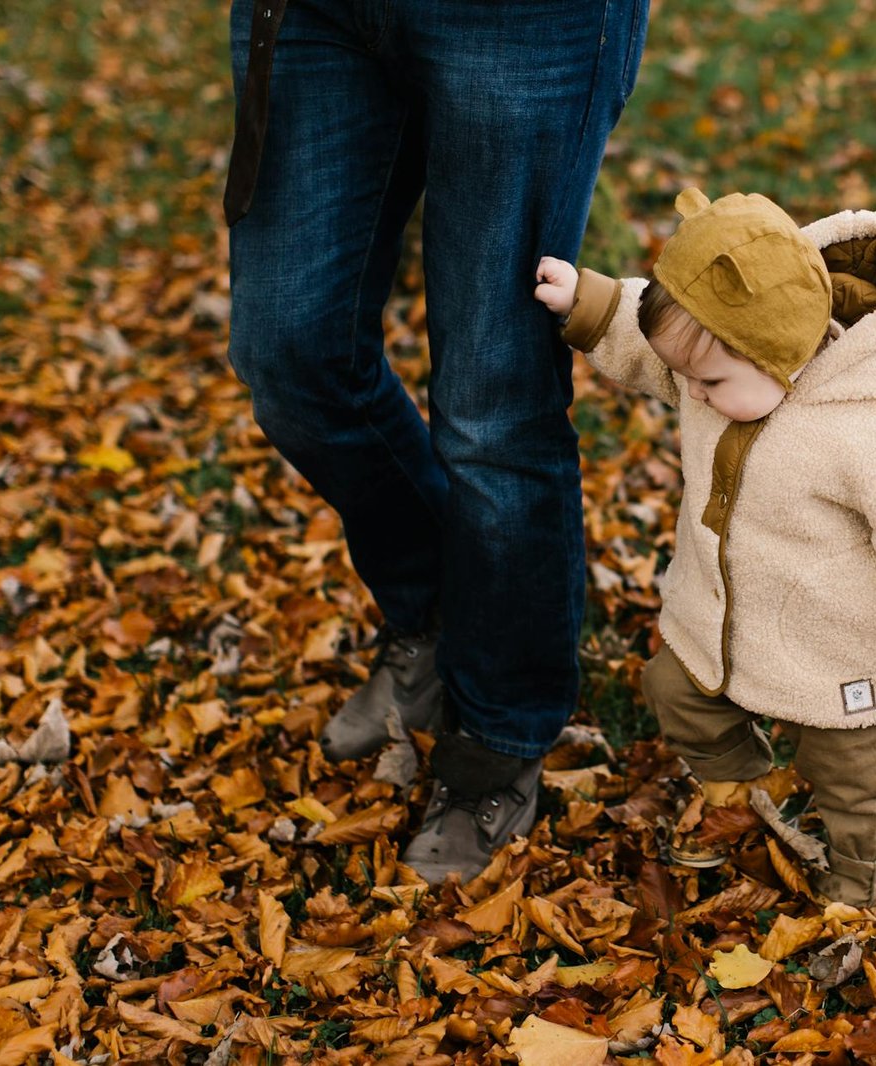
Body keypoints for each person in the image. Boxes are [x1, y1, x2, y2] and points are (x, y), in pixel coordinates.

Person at [222, 0, 649, 884]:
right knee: (291, 353)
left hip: (523, 26)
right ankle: (444, 608)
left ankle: (498, 734)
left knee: (494, 405)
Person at [533, 189, 876, 908]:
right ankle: (746, 787)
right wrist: (590, 303)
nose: (690, 392)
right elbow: (659, 345)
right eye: (688, 377)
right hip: (729, 623)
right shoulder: (719, 368)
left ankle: (859, 890)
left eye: (708, 382)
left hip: (844, 649)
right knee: (675, 690)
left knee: (854, 781)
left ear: (779, 357)